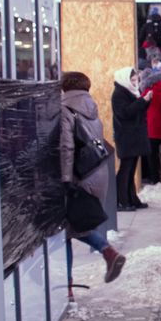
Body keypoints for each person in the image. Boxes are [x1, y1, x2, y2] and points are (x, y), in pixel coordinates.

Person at [60, 72, 125, 284]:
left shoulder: (65, 110)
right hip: (98, 173)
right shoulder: (91, 109)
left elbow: (67, 147)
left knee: (66, 231)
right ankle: (108, 253)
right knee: (75, 226)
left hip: (79, 177)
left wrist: (65, 179)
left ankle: (67, 286)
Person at [111, 67, 150, 212]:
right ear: (125, 80)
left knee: (131, 169)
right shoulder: (119, 94)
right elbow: (126, 113)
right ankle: (122, 200)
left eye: (136, 80)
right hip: (127, 136)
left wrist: (145, 101)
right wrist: (142, 101)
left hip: (133, 136)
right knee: (125, 169)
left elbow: (136, 111)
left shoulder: (130, 92)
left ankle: (131, 199)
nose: (135, 83)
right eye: (132, 80)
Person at [141, 64, 161, 184]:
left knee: (152, 155)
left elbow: (141, 105)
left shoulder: (149, 91)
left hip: (151, 126)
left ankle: (155, 179)